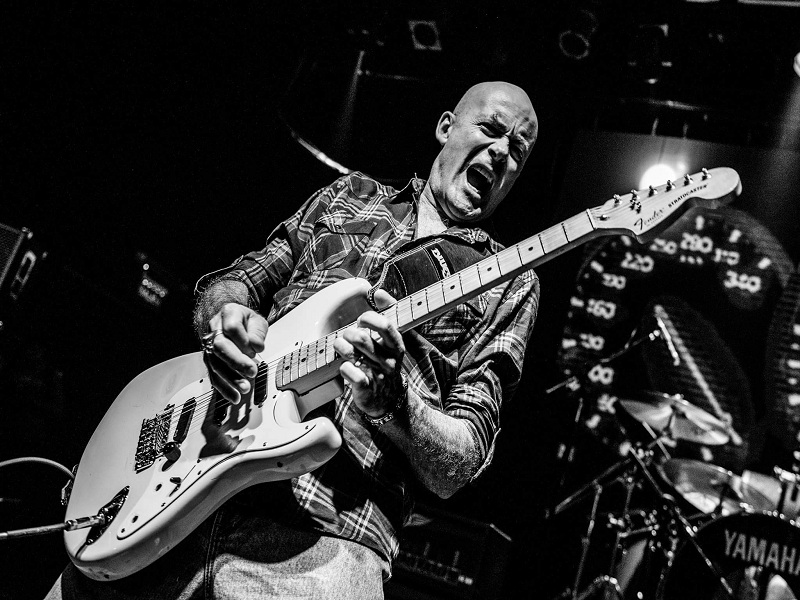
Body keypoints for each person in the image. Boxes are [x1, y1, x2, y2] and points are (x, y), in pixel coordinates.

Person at [46, 80, 540, 599]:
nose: (501, 152)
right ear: (446, 128)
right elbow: (236, 282)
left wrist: (396, 403)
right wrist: (224, 319)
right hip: (180, 490)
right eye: (491, 129)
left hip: (328, 544)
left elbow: (459, 462)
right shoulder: (350, 196)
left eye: (519, 151)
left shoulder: (508, 281)